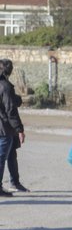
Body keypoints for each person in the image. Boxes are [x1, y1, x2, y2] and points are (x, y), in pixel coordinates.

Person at [0, 58, 25, 196]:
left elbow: (10, 102)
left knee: (10, 155)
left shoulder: (6, 86)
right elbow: (10, 110)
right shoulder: (5, 86)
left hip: (6, 126)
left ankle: (15, 181)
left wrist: (16, 99)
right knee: (2, 157)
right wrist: (19, 129)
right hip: (5, 127)